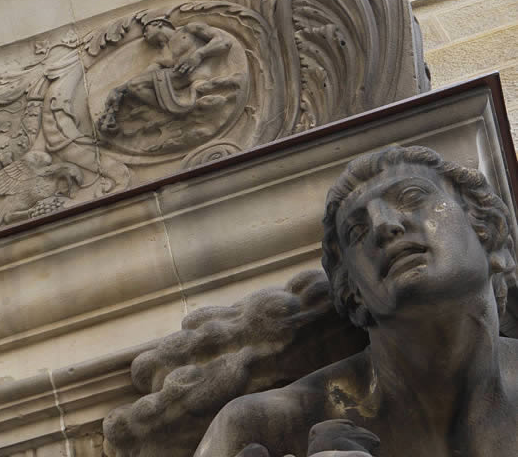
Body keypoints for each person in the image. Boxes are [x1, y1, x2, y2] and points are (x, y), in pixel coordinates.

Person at [194, 146, 518, 457]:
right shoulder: (265, 426)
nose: (383, 226)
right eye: (357, 231)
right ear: (353, 292)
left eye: (412, 197)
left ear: (489, 230)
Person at [98, 16, 241, 134]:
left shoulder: (190, 29)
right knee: (134, 85)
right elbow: (144, 75)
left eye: (147, 30)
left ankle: (177, 110)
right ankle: (172, 112)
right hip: (178, 79)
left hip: (200, 72)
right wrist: (119, 89)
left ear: (158, 24)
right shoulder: (162, 55)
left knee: (134, 85)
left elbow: (224, 42)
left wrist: (199, 54)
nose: (145, 35)